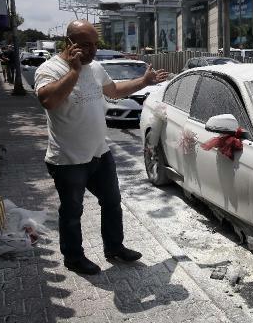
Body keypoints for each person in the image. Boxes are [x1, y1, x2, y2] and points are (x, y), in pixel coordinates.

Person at [34, 20, 169, 275]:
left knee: (112, 202)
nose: (93, 51)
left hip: (99, 153)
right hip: (68, 160)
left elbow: (115, 91)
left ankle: (114, 248)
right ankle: (73, 257)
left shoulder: (95, 67)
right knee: (73, 211)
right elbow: (48, 100)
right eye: (86, 45)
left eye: (95, 44)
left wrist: (144, 81)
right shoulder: (49, 69)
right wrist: (73, 72)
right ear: (69, 43)